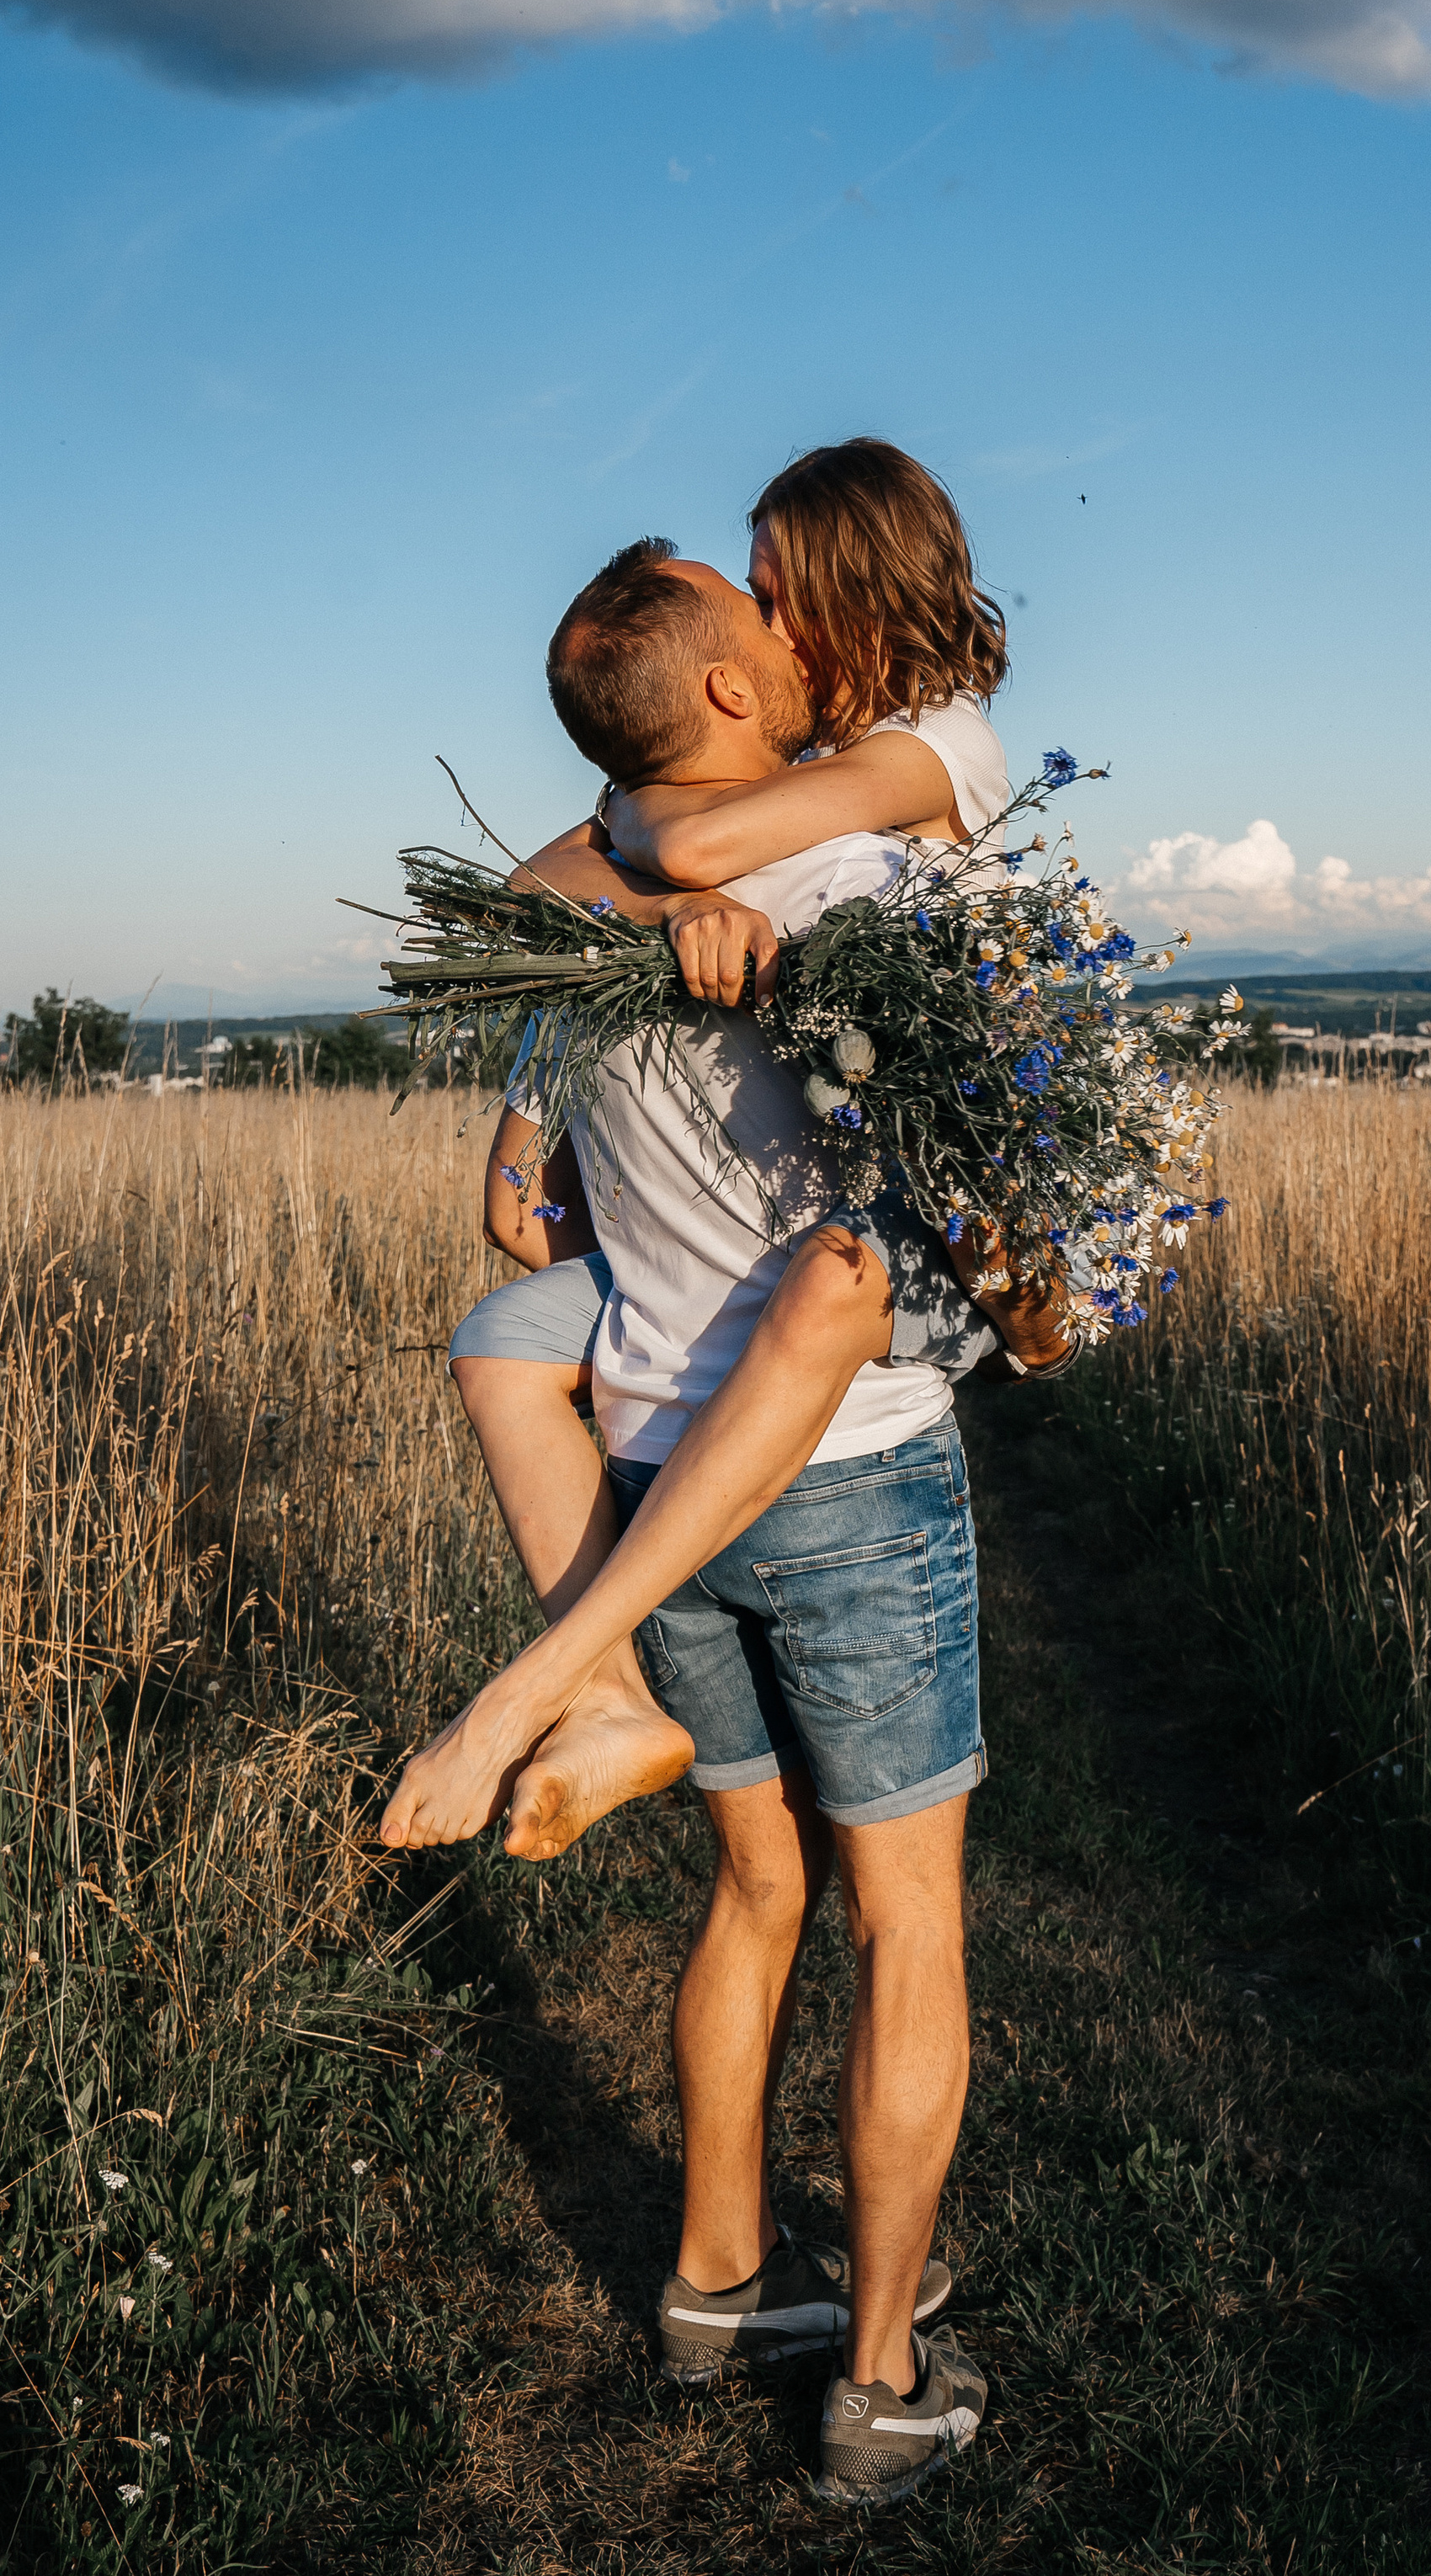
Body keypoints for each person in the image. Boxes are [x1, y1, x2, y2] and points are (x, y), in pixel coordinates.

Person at [383, 519, 1067, 2508]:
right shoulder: (848, 873)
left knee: (753, 1884)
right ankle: (876, 2376)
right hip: (841, 1464)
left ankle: (712, 2284)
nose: (788, 629)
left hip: (651, 1459)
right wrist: (1034, 1275)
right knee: (903, 1918)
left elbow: (525, 902)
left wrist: (539, 1078)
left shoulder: (570, 907)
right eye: (757, 613)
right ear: (725, 696)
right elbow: (938, 1199)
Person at [428, 443, 1067, 1867]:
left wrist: (640, 826)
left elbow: (695, 842)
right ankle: (586, 1688)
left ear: (851, 600)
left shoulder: (930, 753)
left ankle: (562, 1676)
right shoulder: (813, 789)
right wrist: (650, 871)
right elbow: (525, 897)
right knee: (502, 1342)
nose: (770, 627)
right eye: (754, 601)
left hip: (923, 1185)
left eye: (781, 595)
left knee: (862, 1280)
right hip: (805, 1287)